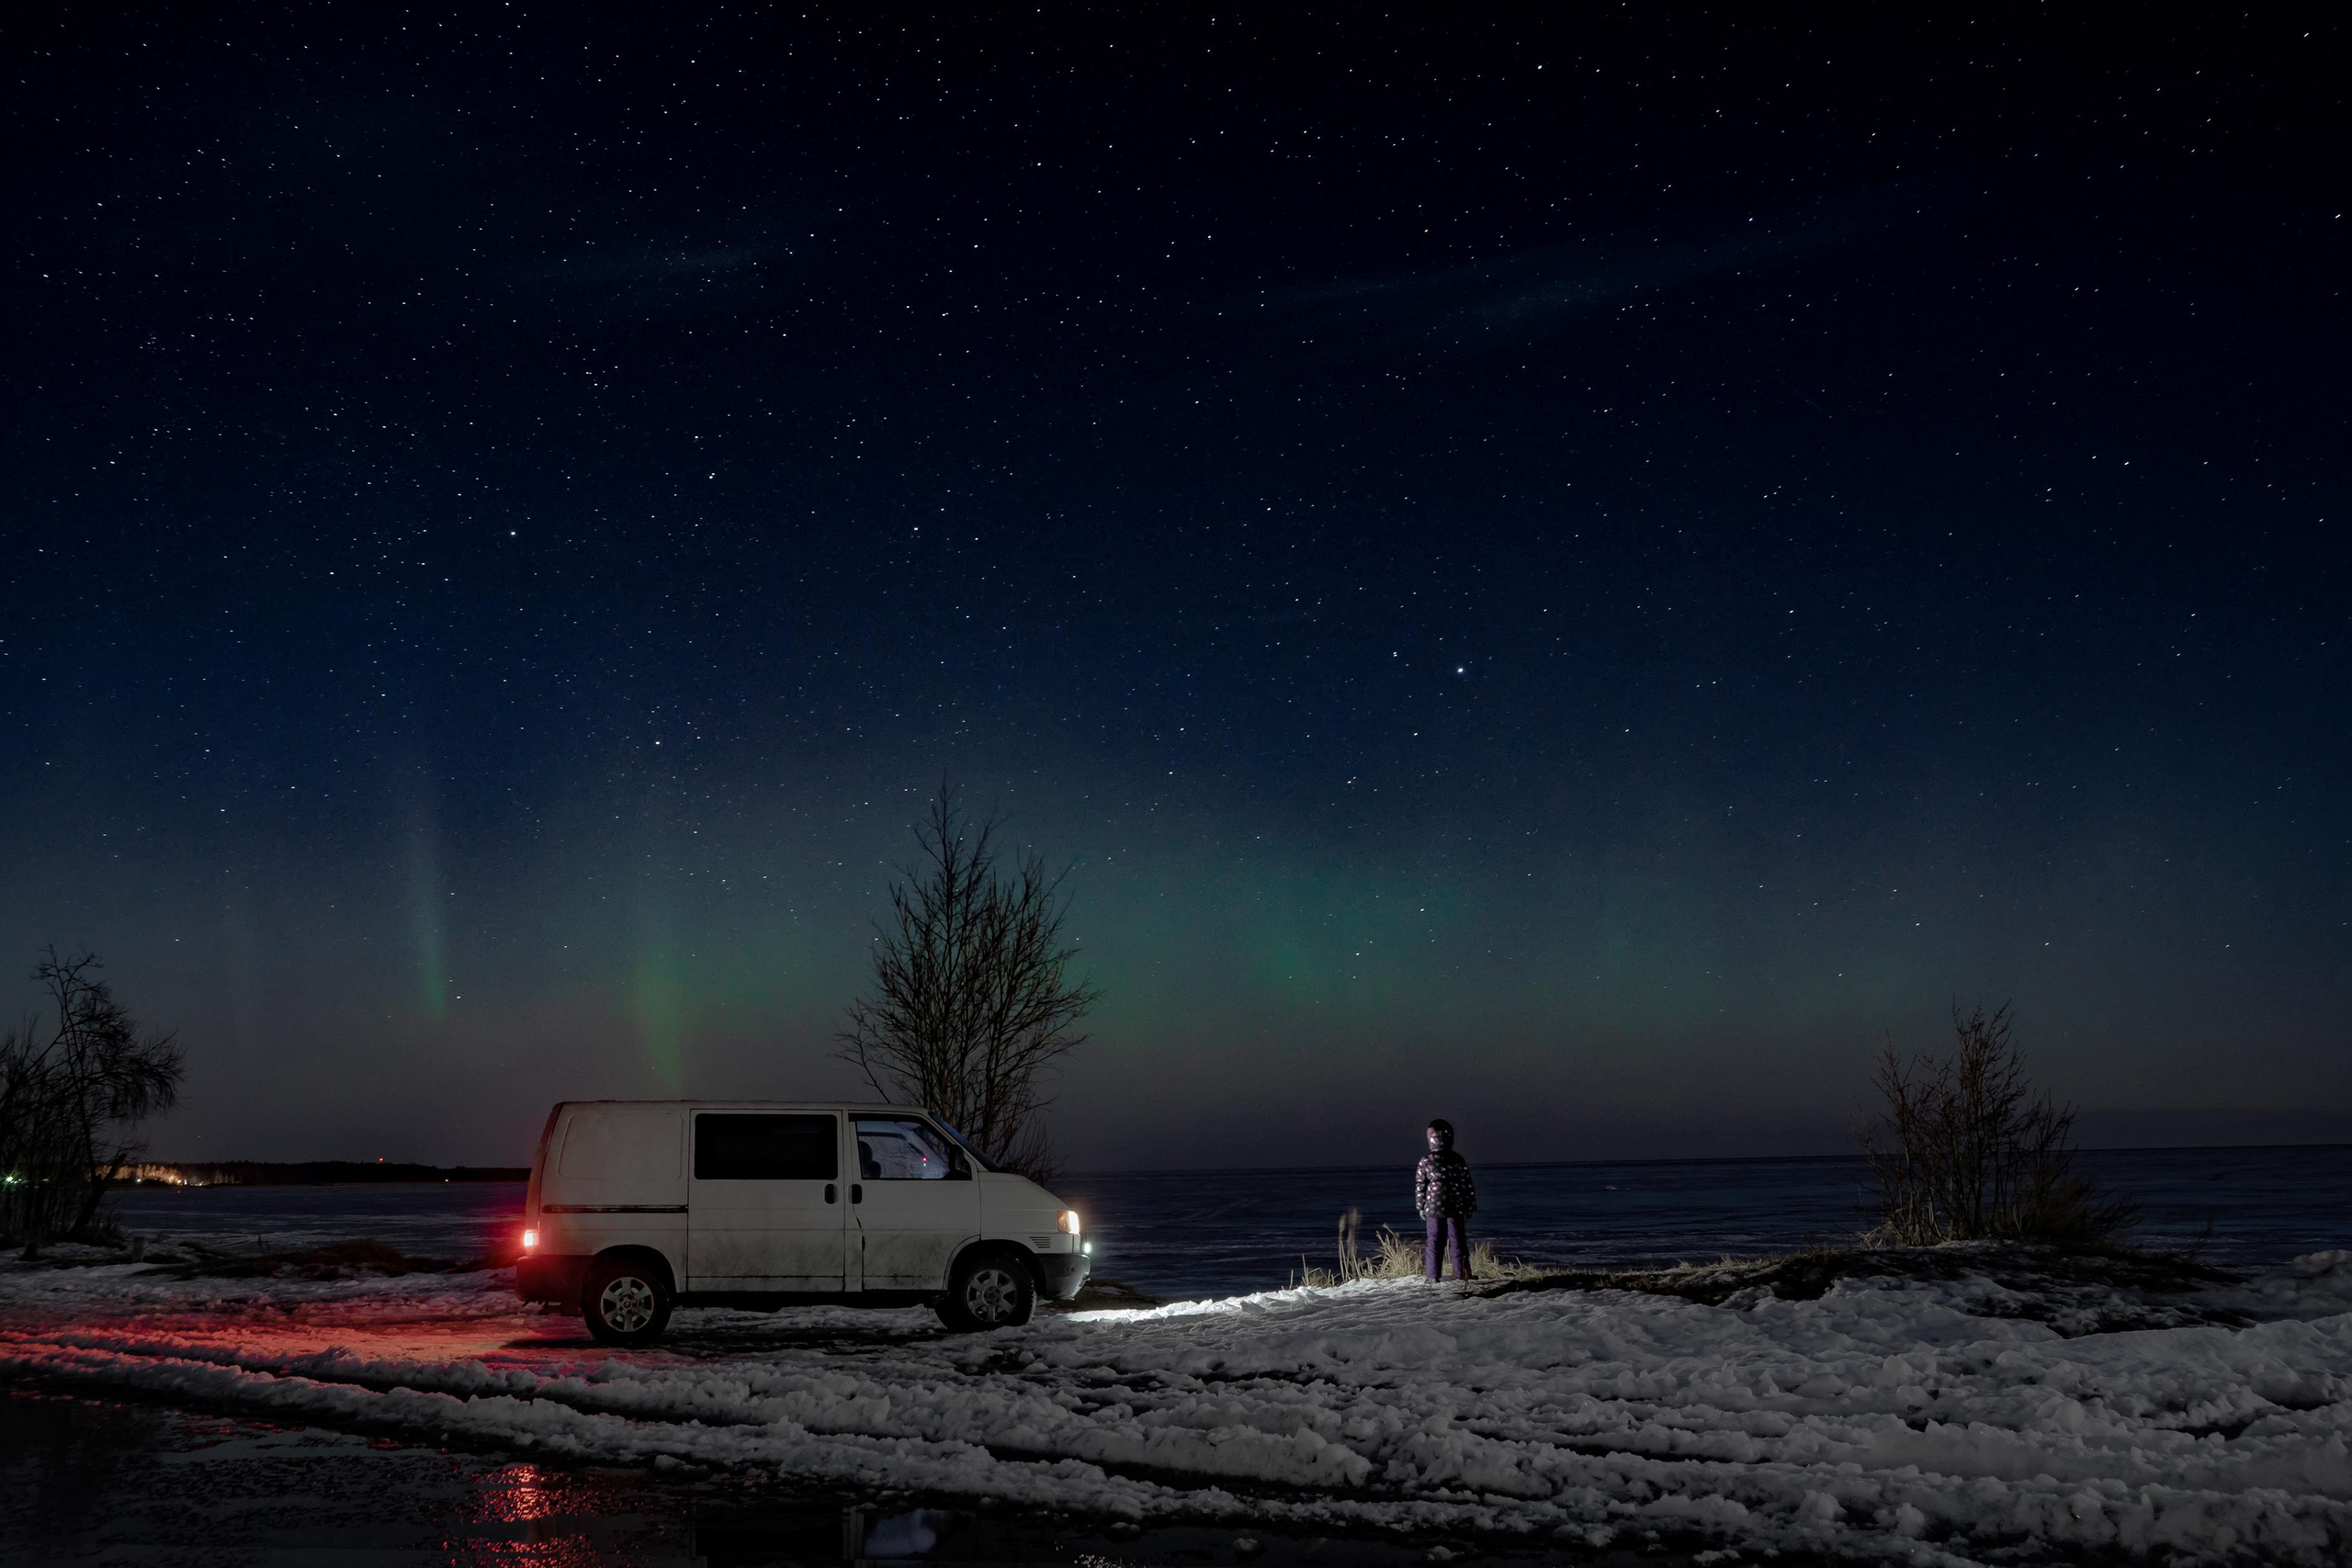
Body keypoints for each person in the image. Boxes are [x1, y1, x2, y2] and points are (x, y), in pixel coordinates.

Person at [1414, 1118, 1476, 1280]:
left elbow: (1420, 1184)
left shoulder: (1426, 1161)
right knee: (1457, 1241)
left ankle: (1433, 1276)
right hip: (1455, 1205)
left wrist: (1421, 1205)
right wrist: (1470, 1206)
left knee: (1434, 1242)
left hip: (1433, 1206)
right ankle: (1461, 1274)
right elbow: (1466, 1184)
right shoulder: (1456, 1159)